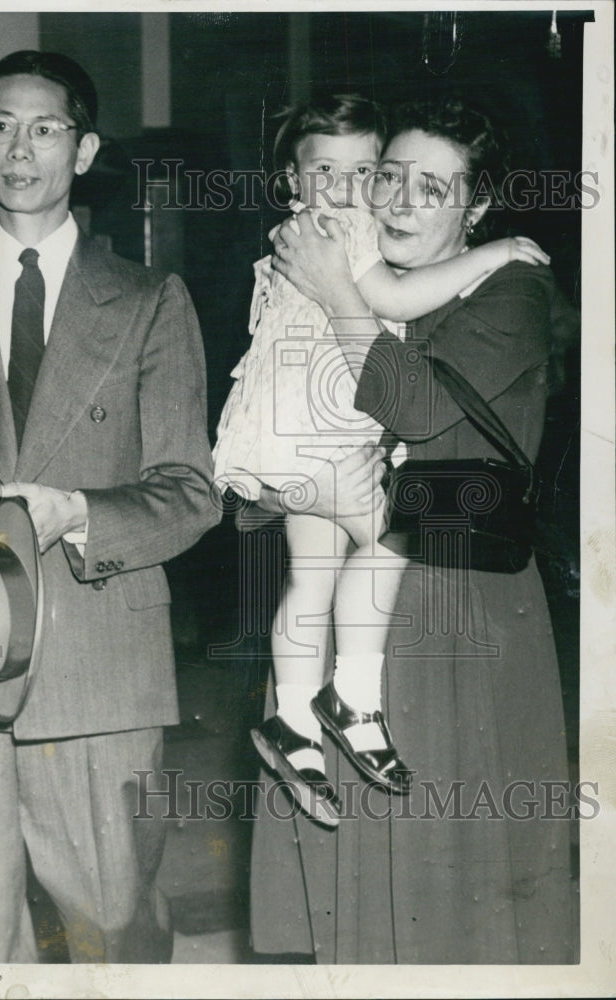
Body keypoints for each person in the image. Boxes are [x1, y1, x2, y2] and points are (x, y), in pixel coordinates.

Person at [0, 50, 218, 963]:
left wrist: (76, 512)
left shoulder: (151, 302)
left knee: (111, 932)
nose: (19, 148)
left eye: (45, 128)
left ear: (85, 149)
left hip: (97, 664)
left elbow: (191, 493)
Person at [249, 96, 576, 963]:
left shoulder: (513, 286)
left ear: (475, 210)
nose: (396, 199)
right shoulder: (345, 266)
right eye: (387, 175)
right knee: (351, 907)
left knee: (448, 900)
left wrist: (333, 289)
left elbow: (420, 406)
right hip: (346, 617)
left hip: (453, 615)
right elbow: (263, 448)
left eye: (432, 189)